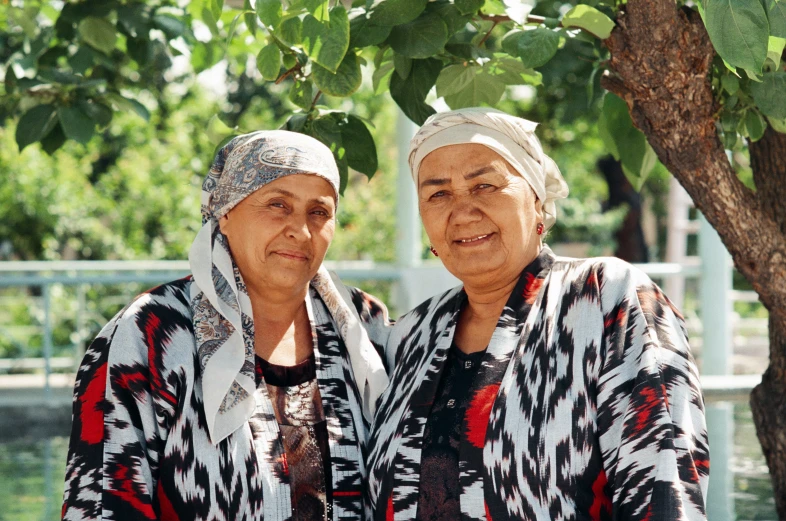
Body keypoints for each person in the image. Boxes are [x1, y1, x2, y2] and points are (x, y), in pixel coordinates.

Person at [366, 108, 709, 521]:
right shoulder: (412, 335)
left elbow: (664, 487)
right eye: (438, 193)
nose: (463, 210)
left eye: (485, 185)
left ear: (535, 199)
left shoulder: (604, 297)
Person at [62, 131, 391, 520]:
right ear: (226, 212)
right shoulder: (149, 335)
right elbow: (102, 502)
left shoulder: (365, 326)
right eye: (277, 204)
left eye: (318, 212)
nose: (300, 230)